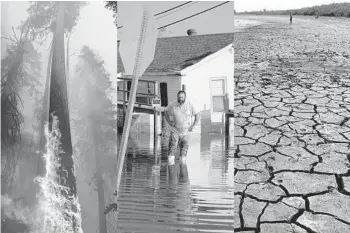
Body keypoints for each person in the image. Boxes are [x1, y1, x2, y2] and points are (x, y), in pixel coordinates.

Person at [164, 91, 200, 163]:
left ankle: (183, 167)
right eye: (179, 97)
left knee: (184, 150)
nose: (180, 99)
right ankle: (171, 167)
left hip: (186, 131)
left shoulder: (190, 105)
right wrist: (169, 122)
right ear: (177, 97)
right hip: (175, 130)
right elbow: (165, 111)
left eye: (182, 97)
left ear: (185, 97)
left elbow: (197, 114)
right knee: (172, 148)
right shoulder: (173, 104)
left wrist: (193, 126)